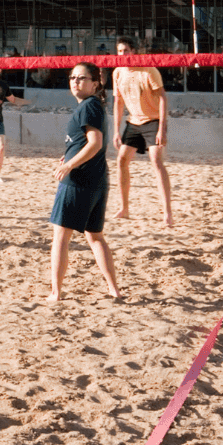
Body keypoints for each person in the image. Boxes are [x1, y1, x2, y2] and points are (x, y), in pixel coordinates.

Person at [47, 61, 119, 303]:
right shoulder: (93, 106)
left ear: (95, 84)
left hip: (78, 181)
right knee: (95, 236)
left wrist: (69, 165)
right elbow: (84, 143)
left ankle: (55, 293)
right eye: (72, 77)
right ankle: (114, 289)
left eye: (81, 78)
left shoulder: (89, 106)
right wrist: (69, 155)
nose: (75, 81)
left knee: (60, 237)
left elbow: (95, 143)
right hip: (97, 180)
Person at [111, 36, 174, 227]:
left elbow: (163, 98)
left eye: (126, 51)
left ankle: (167, 214)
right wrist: (116, 131)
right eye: (120, 51)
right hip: (133, 122)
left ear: (134, 52)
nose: (123, 54)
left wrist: (162, 128)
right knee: (121, 160)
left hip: (153, 120)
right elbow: (118, 103)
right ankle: (124, 208)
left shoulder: (149, 70)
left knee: (156, 161)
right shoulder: (117, 72)